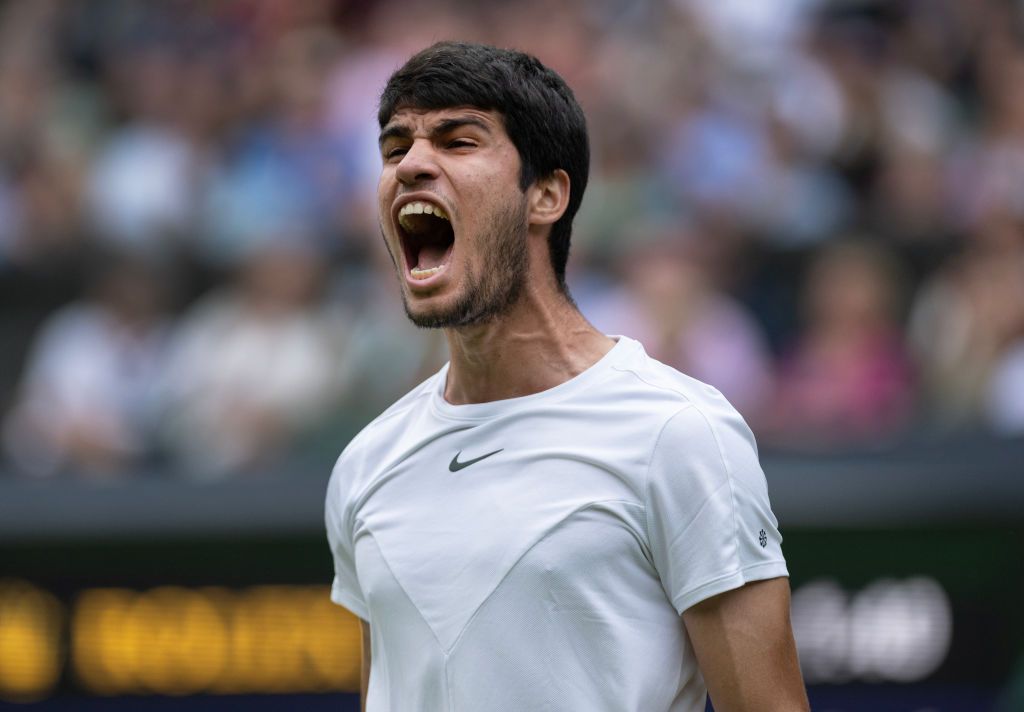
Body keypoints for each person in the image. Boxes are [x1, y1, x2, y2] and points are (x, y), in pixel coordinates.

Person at [324, 41, 808, 712]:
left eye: (458, 141)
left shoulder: (679, 434)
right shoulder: (364, 465)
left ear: (546, 195)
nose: (411, 165)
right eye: (394, 147)